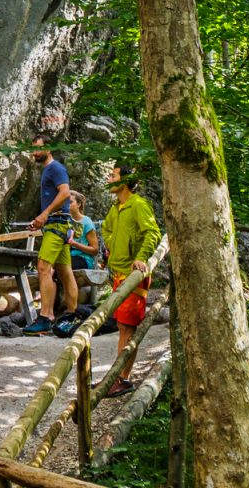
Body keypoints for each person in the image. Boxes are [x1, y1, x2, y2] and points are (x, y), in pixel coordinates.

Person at [102, 163, 161, 395]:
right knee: (122, 326)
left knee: (128, 328)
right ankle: (118, 376)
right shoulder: (116, 207)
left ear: (124, 181)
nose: (109, 178)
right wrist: (113, 245)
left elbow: (153, 232)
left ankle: (123, 379)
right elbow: (106, 229)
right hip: (118, 273)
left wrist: (140, 257)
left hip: (132, 276)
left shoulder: (138, 204)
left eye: (113, 175)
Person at [23, 135, 78, 335]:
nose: (34, 153)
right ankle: (72, 315)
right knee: (65, 271)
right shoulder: (49, 170)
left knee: (43, 268)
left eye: (38, 148)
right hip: (59, 224)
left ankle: (46, 317)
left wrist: (45, 214)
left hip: (56, 224)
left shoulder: (55, 168)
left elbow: (65, 193)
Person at [69, 189, 101, 273]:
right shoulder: (65, 220)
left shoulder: (86, 222)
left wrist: (75, 244)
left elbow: (95, 250)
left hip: (83, 259)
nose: (67, 205)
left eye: (70, 202)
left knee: (64, 266)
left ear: (78, 204)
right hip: (66, 257)